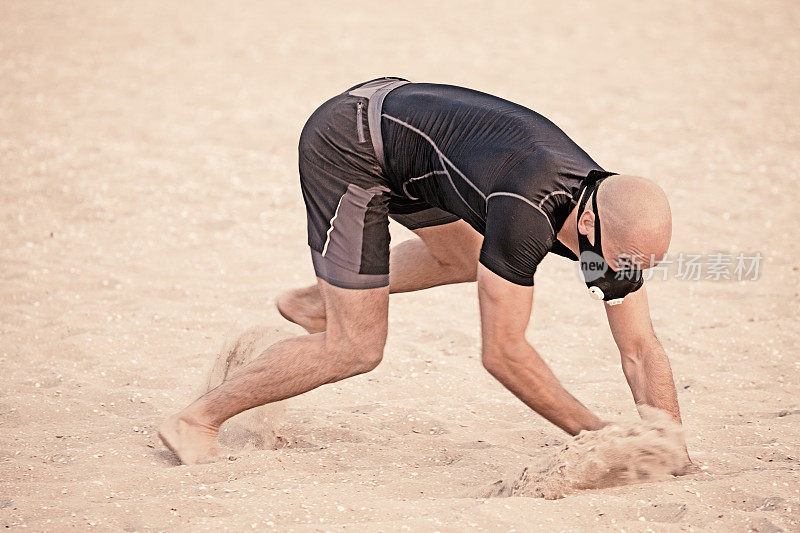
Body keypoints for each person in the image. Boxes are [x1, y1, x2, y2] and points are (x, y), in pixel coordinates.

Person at [160, 78, 695, 471]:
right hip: (351, 144)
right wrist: (601, 438)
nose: (608, 275)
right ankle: (196, 420)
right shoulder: (525, 213)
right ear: (587, 218)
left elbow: (640, 349)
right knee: (357, 348)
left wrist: (668, 446)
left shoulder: (612, 231)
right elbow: (503, 354)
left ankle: (318, 303)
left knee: (463, 257)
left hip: (414, 152)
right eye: (604, 262)